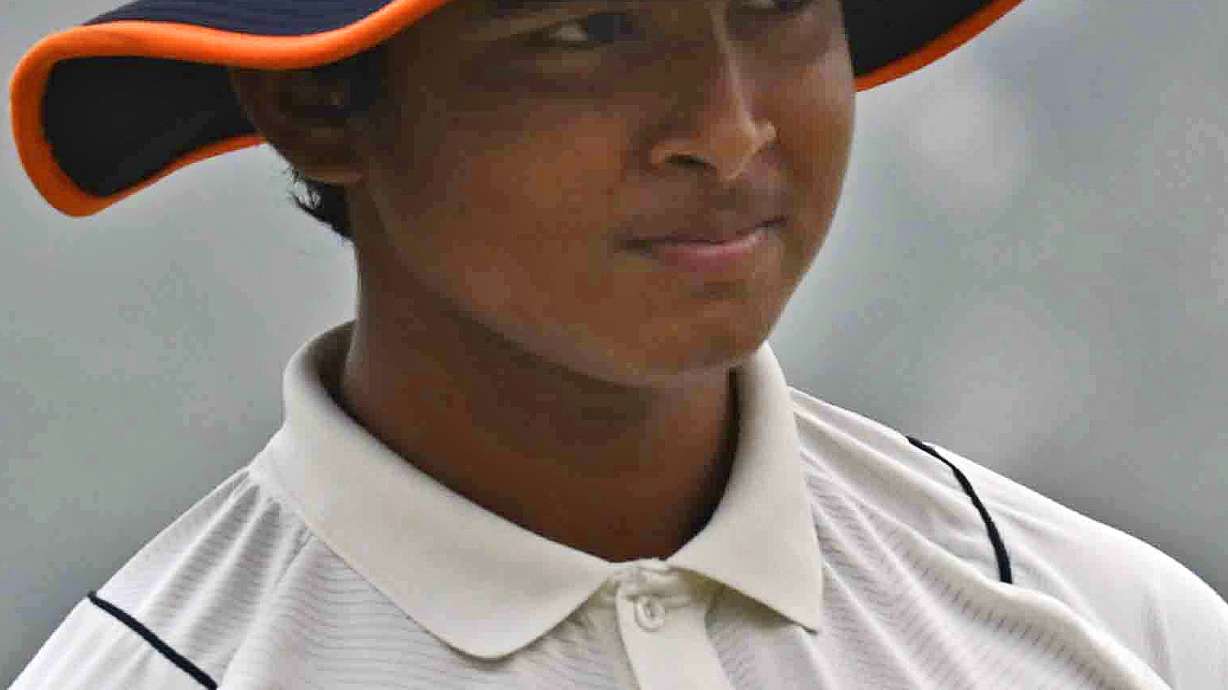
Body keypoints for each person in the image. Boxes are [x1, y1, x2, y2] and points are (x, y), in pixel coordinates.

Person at [7, 0, 1227, 687]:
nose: (730, 129)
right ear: (320, 102)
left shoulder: (1107, 631)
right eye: (590, 30)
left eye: (777, 7)